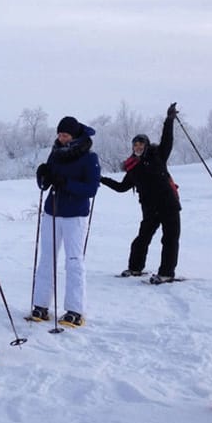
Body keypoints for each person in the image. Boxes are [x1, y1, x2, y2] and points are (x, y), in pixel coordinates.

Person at [100, 102, 182, 284]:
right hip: (150, 208)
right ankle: (135, 268)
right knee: (141, 239)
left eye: (140, 144)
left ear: (146, 145)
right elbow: (122, 188)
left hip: (168, 204)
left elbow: (167, 139)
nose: (137, 147)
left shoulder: (158, 156)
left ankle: (166, 272)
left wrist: (169, 120)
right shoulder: (133, 168)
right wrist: (101, 179)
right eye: (135, 145)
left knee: (169, 239)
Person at [31, 116, 101, 326]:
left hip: (75, 215)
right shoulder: (55, 153)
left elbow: (91, 189)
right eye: (59, 134)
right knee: (46, 259)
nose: (61, 138)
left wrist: (66, 183)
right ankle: (41, 305)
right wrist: (42, 176)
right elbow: (46, 184)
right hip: (52, 211)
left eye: (65, 135)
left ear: (75, 135)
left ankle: (75, 309)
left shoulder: (89, 157)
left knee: (73, 261)